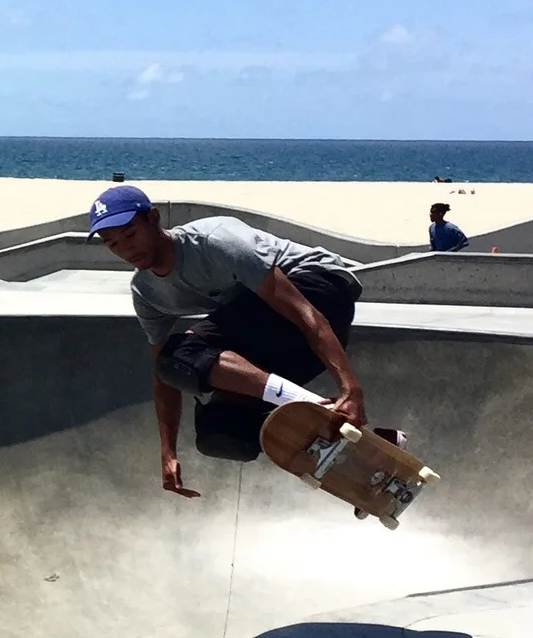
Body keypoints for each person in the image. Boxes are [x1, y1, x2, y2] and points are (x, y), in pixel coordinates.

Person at [88, 184, 371, 494]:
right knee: (223, 430)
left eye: (130, 234)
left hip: (319, 290)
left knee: (183, 352)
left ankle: (316, 404)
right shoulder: (146, 293)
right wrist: (168, 452)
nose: (126, 249)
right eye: (112, 243)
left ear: (153, 219)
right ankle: (355, 457)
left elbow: (305, 313)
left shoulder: (214, 242)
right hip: (279, 337)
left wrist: (350, 388)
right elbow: (165, 376)